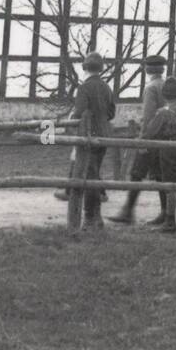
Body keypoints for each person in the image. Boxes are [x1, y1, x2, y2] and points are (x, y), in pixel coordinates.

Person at [110, 53, 170, 225]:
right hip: (164, 137)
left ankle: (128, 212)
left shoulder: (151, 88)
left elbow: (149, 114)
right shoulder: (166, 85)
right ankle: (164, 212)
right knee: (160, 175)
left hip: (150, 137)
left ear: (148, 70)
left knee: (137, 173)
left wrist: (143, 138)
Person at [139, 76, 176, 234]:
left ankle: (170, 221)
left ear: (164, 95)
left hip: (168, 152)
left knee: (169, 187)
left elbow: (151, 132)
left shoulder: (162, 113)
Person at [67, 50, 115, 232]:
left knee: (89, 177)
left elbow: (78, 113)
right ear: (101, 69)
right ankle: (97, 216)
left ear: (84, 68)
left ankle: (89, 217)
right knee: (94, 174)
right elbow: (112, 113)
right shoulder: (106, 87)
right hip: (103, 136)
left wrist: (73, 116)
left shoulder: (84, 88)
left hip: (88, 136)